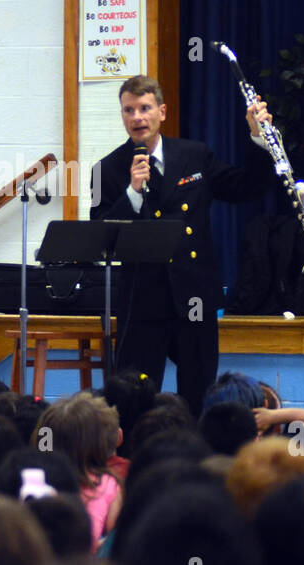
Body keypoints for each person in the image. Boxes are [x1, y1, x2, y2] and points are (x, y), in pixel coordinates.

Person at [90, 75, 274, 414]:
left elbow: (246, 187)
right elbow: (102, 237)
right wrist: (131, 191)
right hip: (141, 300)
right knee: (134, 398)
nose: (137, 117)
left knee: (199, 392)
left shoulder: (194, 155)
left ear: (162, 111)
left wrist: (259, 139)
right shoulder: (107, 170)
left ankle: (197, 462)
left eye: (145, 108)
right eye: (128, 110)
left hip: (193, 295)